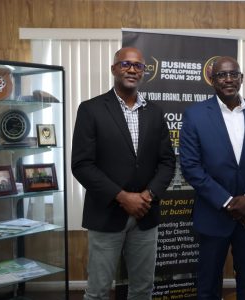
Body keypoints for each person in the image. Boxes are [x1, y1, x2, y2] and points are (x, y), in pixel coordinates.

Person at [71, 47, 175, 300]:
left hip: (145, 215)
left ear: (143, 72)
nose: (132, 69)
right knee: (97, 291)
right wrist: (122, 196)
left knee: (142, 289)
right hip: (106, 214)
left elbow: (167, 162)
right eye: (125, 64)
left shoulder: (155, 111)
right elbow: (82, 164)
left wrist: (147, 196)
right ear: (114, 69)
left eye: (138, 65)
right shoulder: (91, 109)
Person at [179, 56, 245, 300]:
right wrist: (227, 202)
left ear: (241, 78)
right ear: (212, 80)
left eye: (234, 74)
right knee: (208, 283)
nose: (229, 79)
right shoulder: (195, 115)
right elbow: (191, 167)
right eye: (222, 75)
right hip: (213, 213)